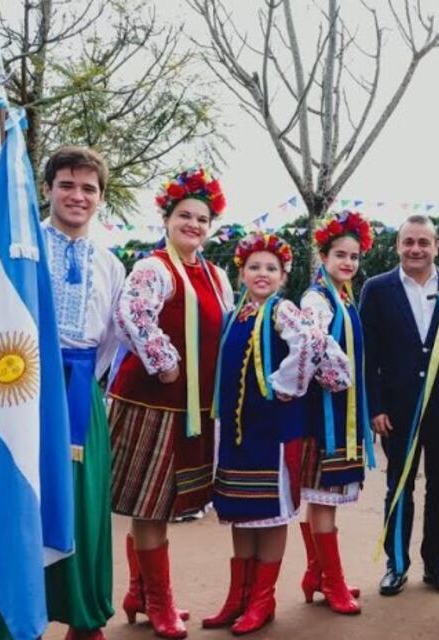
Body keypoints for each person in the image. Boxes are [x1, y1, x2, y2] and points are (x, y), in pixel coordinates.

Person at [0, 147, 125, 640]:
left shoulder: (111, 264)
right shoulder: (19, 253)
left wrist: (79, 387)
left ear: (100, 199)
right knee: (11, 495)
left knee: (81, 503)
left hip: (77, 396)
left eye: (89, 188)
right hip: (19, 390)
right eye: (67, 184)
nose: (77, 196)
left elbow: (109, 339)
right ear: (46, 189)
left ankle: (81, 613)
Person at [109, 167, 233, 639]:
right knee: (151, 504)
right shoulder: (153, 267)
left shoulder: (217, 275)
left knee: (167, 501)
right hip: (150, 404)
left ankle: (140, 593)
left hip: (193, 408)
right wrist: (164, 361)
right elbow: (134, 314)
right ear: (167, 218)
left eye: (202, 219)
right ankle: (158, 600)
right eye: (185, 216)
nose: (194, 226)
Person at [204, 232, 344, 634]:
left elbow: (311, 344)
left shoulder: (283, 311)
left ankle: (262, 601)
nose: (262, 274)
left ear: (284, 275)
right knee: (241, 513)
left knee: (270, 512)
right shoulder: (238, 314)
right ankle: (239, 597)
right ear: (242, 272)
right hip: (237, 431)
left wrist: (285, 386)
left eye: (271, 268)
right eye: (254, 267)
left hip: (274, 430)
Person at [360, 215, 439, 596]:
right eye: (409, 242)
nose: (416, 249)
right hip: (396, 412)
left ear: (437, 245)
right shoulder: (376, 288)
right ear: (398, 246)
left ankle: (436, 564)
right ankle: (396, 564)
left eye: (424, 242)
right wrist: (375, 407)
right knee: (398, 487)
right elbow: (368, 356)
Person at [297, 210, 375, 616]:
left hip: (339, 413)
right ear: (324, 256)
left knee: (323, 499)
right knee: (324, 497)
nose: (348, 262)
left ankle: (319, 575)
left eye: (354, 256)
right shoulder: (316, 298)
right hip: (323, 414)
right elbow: (313, 344)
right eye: (340, 255)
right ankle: (332, 581)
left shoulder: (340, 296)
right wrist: (339, 375)